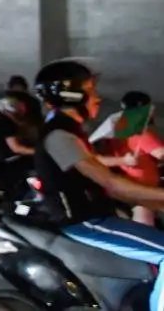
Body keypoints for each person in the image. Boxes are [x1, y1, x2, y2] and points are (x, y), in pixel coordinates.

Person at [32, 59, 164, 309]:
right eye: (91, 90)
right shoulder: (60, 136)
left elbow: (111, 186)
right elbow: (111, 183)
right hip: (85, 222)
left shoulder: (71, 131)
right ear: (71, 94)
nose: (98, 98)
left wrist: (156, 201)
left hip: (98, 213)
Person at [91, 91, 164, 225]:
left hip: (124, 186)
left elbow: (98, 158)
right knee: (145, 227)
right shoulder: (143, 135)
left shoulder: (116, 130)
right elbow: (161, 154)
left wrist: (123, 161)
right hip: (143, 189)